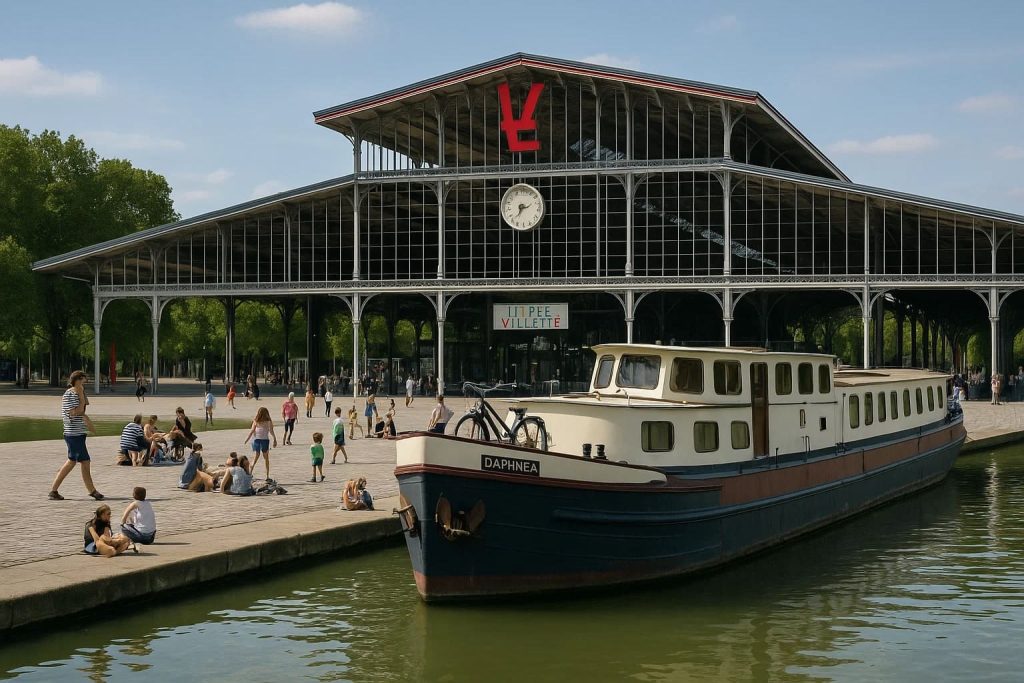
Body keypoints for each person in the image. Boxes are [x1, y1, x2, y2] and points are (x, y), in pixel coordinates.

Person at [50, 370, 103, 501]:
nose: (85, 381)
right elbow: (76, 411)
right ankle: (92, 491)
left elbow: (84, 407)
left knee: (72, 462)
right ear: (78, 379)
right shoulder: (69, 394)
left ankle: (54, 490)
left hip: (78, 433)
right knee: (84, 461)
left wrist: (81, 394)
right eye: (83, 379)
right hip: (72, 433)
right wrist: (80, 394)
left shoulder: (78, 391)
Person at [243, 406, 277, 479]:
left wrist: (247, 439)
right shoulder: (267, 421)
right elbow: (271, 431)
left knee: (256, 457)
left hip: (257, 440)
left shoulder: (257, 421)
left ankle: (250, 473)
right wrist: (274, 439)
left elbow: (252, 431)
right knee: (265, 458)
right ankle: (267, 476)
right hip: (263, 440)